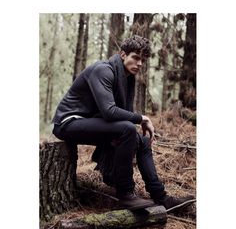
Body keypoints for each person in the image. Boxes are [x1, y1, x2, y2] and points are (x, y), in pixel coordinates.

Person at [52, 35, 194, 210]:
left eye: (143, 60)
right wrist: (142, 118)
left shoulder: (127, 79)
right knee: (127, 128)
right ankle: (126, 194)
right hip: (68, 122)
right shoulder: (103, 70)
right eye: (135, 57)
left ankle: (161, 196)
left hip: (90, 121)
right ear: (123, 54)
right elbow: (109, 111)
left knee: (141, 140)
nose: (140, 63)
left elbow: (116, 115)